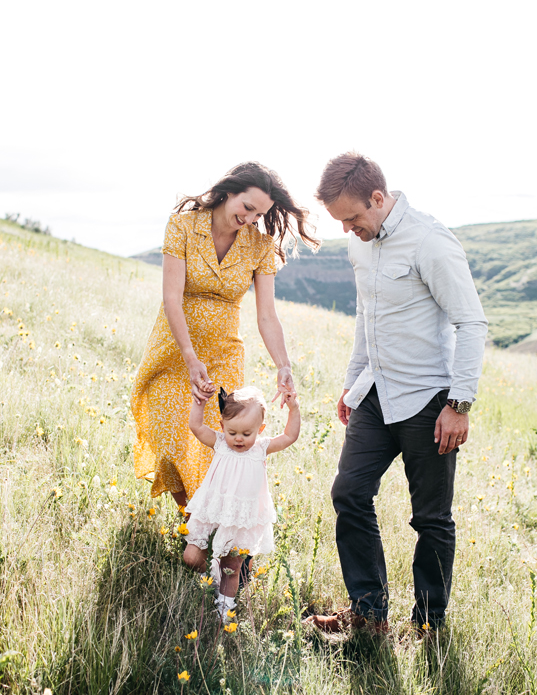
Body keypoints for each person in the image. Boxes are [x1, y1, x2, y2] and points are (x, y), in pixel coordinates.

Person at [309, 152, 487, 635]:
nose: (347, 229)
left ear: (378, 198)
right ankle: (369, 615)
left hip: (430, 401)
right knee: (348, 492)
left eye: (352, 218)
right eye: (339, 222)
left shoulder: (431, 241)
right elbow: (367, 319)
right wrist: (352, 380)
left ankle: (428, 625)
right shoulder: (360, 245)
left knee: (431, 518)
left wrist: (459, 405)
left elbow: (471, 324)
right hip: (374, 394)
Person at [131, 162, 316, 508]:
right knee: (170, 441)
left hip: (223, 355)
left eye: (258, 215)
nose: (249, 219)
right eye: (247, 208)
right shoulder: (183, 226)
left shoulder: (259, 247)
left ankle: (202, 529)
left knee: (218, 446)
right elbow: (171, 298)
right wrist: (189, 357)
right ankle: (195, 517)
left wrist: (283, 365)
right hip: (175, 351)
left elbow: (267, 315)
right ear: (229, 191)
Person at [183, 386, 301, 621]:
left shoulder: (260, 449)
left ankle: (224, 608)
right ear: (222, 426)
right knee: (192, 557)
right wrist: (199, 404)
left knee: (232, 566)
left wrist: (293, 408)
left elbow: (289, 437)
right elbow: (196, 427)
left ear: (260, 430)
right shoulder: (219, 443)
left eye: (247, 434)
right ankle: (212, 570)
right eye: (232, 432)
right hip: (213, 508)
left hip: (242, 517)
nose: (238, 439)